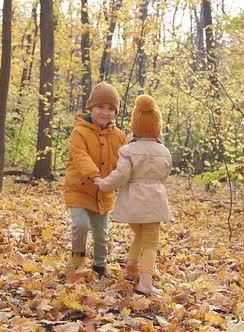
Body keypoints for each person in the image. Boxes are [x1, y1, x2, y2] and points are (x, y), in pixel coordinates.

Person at [94, 94, 172, 294]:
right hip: (154, 202)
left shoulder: (127, 150)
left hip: (133, 203)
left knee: (140, 235)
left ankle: (130, 269)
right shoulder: (164, 151)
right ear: (157, 125)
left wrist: (104, 184)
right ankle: (145, 283)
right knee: (151, 243)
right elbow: (165, 175)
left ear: (135, 124)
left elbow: (121, 175)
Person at [64, 81, 127, 277]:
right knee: (80, 224)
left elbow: (124, 162)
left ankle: (100, 267)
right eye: (100, 107)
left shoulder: (120, 137)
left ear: (115, 112)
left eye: (110, 109)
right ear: (90, 108)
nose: (104, 112)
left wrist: (119, 180)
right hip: (79, 188)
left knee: (101, 233)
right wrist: (95, 176)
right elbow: (80, 156)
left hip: (104, 191)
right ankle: (77, 259)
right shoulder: (79, 132)